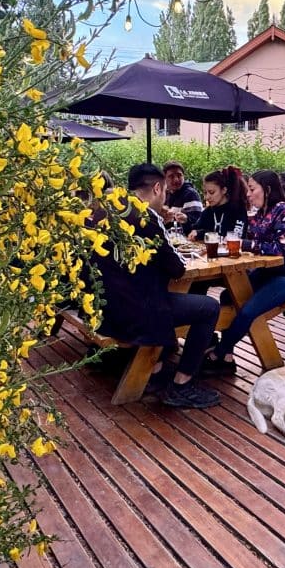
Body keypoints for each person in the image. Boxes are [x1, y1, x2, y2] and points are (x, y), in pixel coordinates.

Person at [90, 163, 220, 408]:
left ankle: (158, 368)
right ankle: (182, 383)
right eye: (165, 193)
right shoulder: (147, 217)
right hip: (137, 312)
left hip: (105, 308)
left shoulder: (104, 210)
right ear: (158, 188)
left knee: (161, 294)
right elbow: (177, 268)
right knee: (209, 307)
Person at [203, 171, 285, 375]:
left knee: (248, 309)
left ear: (267, 190)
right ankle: (228, 357)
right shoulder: (260, 213)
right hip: (268, 273)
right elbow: (253, 244)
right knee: (228, 295)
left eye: (252, 189)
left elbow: (281, 250)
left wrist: (247, 244)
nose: (249, 194)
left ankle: (218, 352)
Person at [188, 166, 248, 241]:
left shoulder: (238, 210)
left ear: (224, 190)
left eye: (211, 192)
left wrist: (202, 234)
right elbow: (194, 230)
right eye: (205, 193)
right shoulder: (208, 212)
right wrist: (186, 222)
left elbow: (234, 237)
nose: (207, 197)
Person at [161, 160, 203, 232]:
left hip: (188, 240)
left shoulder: (190, 194)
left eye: (179, 175)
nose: (176, 179)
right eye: (171, 176)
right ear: (164, 179)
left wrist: (186, 219)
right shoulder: (166, 194)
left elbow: (199, 222)